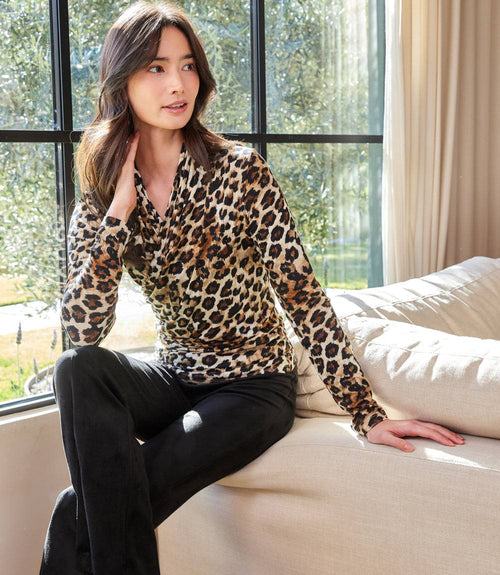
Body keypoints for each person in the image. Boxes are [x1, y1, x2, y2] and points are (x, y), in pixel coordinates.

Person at [40, 2, 464, 574]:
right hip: (177, 377)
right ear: (122, 81)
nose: (178, 84)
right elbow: (82, 330)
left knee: (74, 513)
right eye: (156, 68)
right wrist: (118, 214)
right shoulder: (105, 184)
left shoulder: (240, 171)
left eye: (187, 66)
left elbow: (302, 295)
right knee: (77, 368)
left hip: (253, 387)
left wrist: (366, 412)